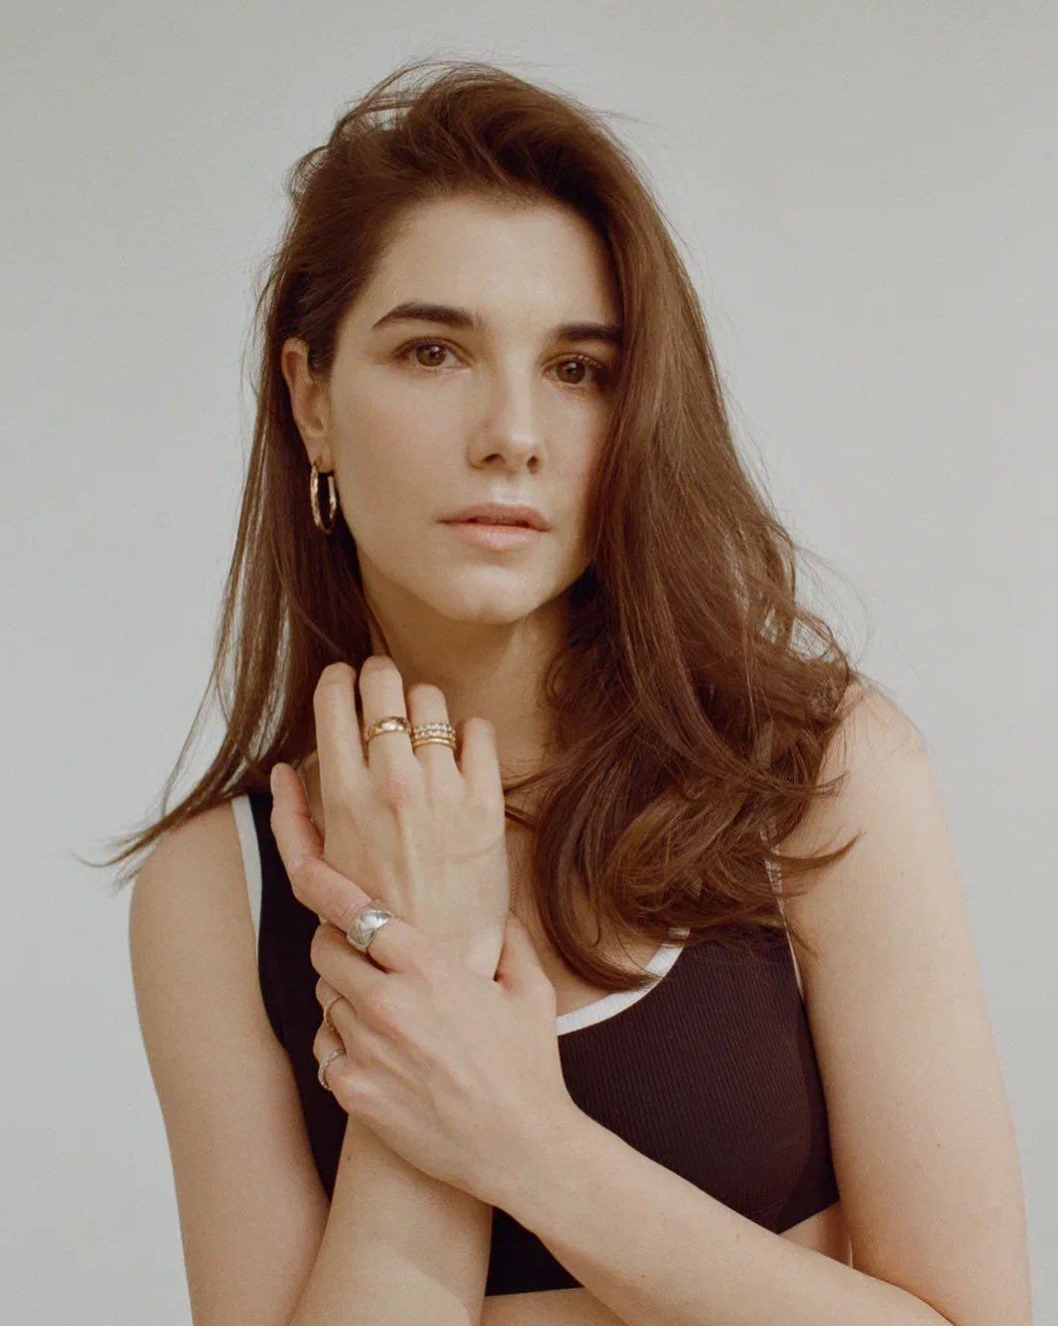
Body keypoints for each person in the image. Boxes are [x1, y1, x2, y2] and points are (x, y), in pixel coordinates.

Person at [108, 57, 1031, 1326]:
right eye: (433, 351)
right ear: (309, 400)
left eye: (578, 368)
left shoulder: (812, 774)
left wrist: (518, 1139)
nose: (512, 433)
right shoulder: (222, 889)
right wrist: (429, 957)